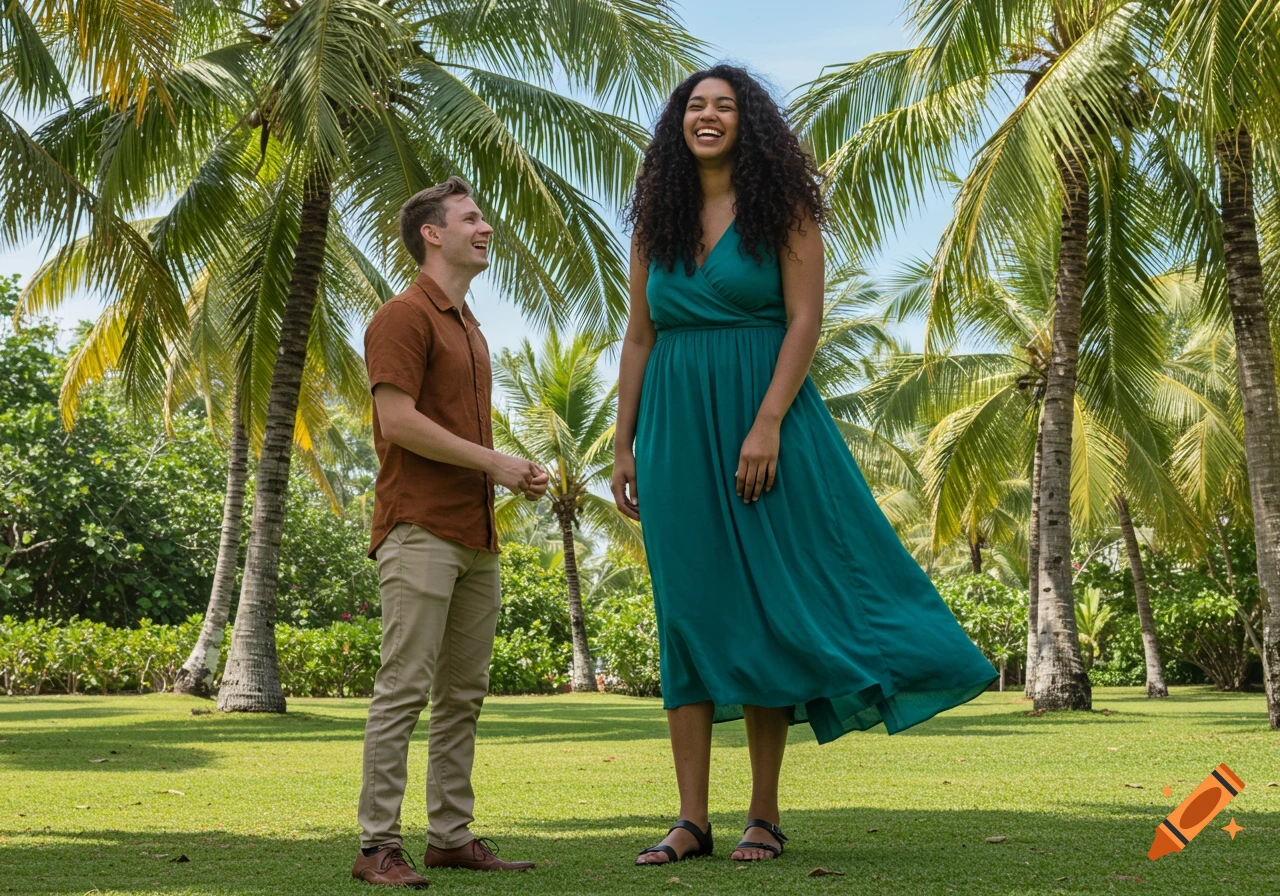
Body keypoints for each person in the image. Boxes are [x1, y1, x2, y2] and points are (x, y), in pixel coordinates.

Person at [612, 65, 998, 866]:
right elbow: (640, 336)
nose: (707, 116)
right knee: (686, 613)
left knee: (763, 609)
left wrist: (767, 423)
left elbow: (805, 320)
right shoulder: (657, 220)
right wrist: (624, 441)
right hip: (676, 426)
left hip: (762, 416)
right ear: (678, 123)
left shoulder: (782, 209)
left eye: (724, 106)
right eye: (695, 105)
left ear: (747, 123)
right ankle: (690, 820)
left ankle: (763, 814)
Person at [353, 177, 549, 888]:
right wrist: (496, 463)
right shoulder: (402, 316)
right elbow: (397, 422)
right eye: (471, 218)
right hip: (419, 527)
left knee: (463, 695)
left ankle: (450, 837)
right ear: (432, 234)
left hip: (475, 535)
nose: (485, 227)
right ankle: (377, 846)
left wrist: (506, 471)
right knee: (404, 689)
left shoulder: (470, 328)